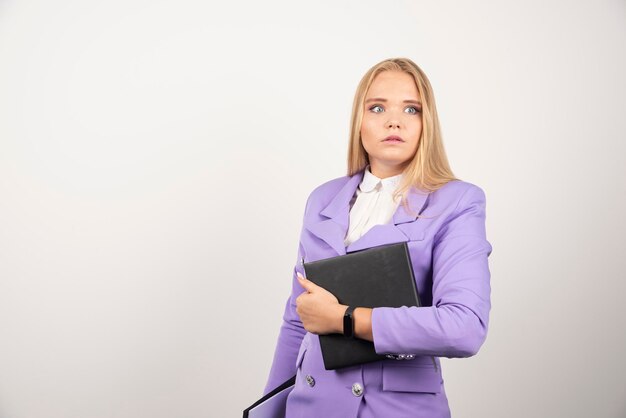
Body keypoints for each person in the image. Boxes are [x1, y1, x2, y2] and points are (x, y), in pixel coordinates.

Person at [262, 57, 493, 418]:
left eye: (411, 109)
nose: (393, 120)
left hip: (399, 409)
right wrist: (268, 409)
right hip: (309, 407)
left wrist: (346, 318)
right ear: (359, 121)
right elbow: (297, 319)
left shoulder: (458, 201)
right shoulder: (323, 198)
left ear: (426, 124)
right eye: (377, 107)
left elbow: (464, 327)